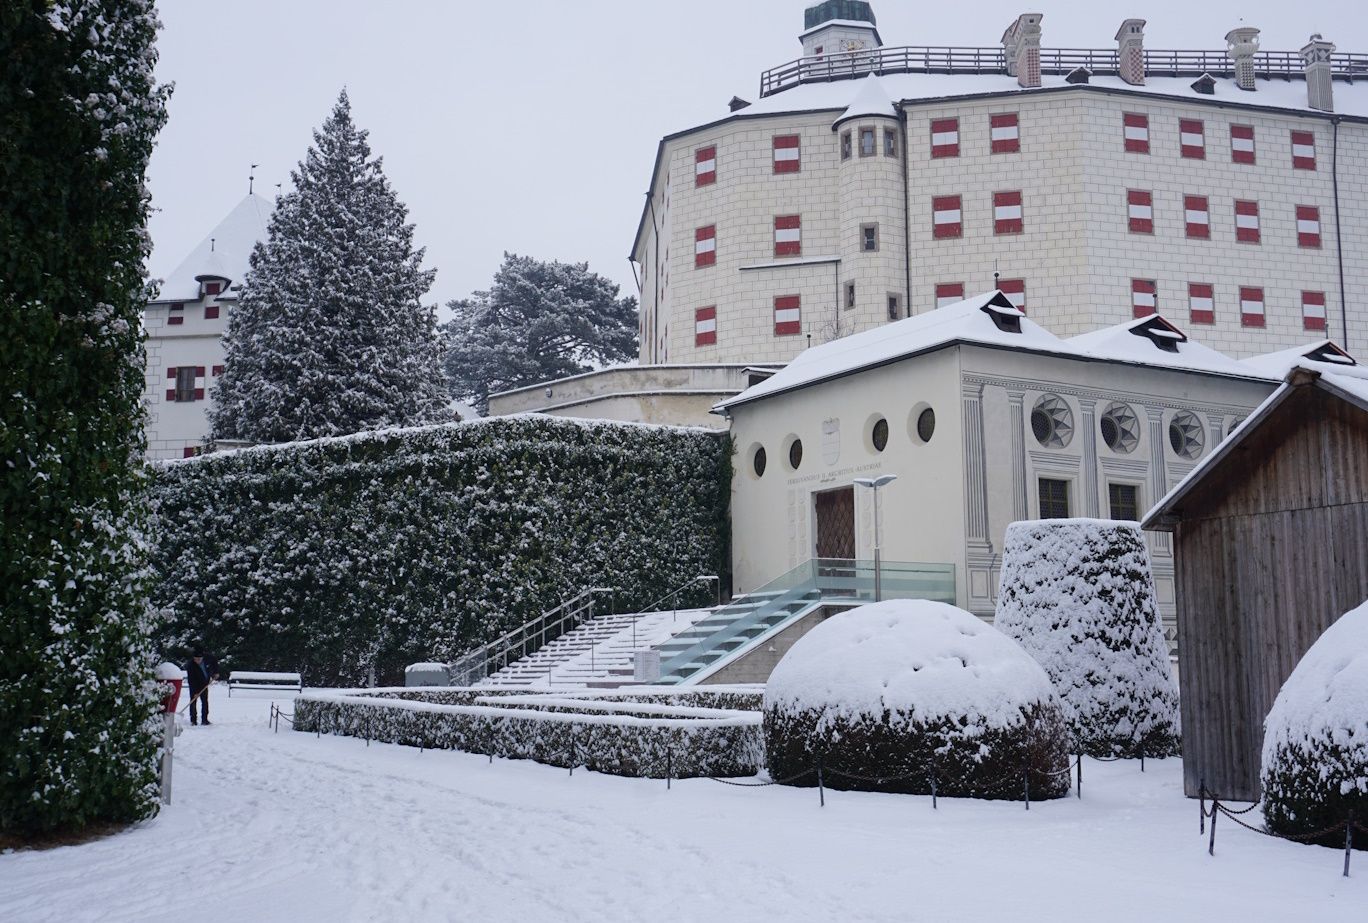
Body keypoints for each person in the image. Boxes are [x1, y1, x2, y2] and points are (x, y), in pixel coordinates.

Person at [183, 647, 219, 725]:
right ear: (193, 658)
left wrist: (215, 672)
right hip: (195, 684)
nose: (198, 661)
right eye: (196, 659)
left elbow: (214, 661)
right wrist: (195, 692)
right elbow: (191, 681)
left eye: (199, 659)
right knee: (193, 701)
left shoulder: (208, 658)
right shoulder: (190, 666)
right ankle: (193, 720)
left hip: (204, 683)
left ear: (202, 658)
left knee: (205, 701)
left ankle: (204, 720)